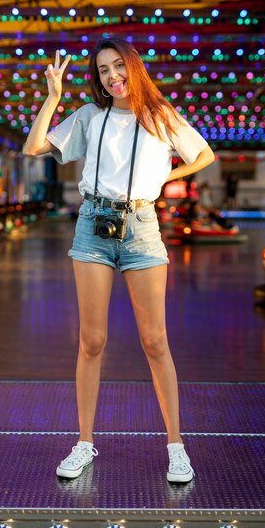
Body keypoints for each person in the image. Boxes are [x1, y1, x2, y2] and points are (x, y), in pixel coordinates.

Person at [23, 37, 215, 483]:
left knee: (155, 342)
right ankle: (84, 442)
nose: (112, 76)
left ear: (134, 67)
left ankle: (176, 447)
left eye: (118, 67)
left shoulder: (160, 115)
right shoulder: (90, 117)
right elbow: (34, 147)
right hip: (93, 226)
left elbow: (203, 154)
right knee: (91, 341)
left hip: (142, 228)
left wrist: (168, 176)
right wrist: (52, 98)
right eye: (103, 70)